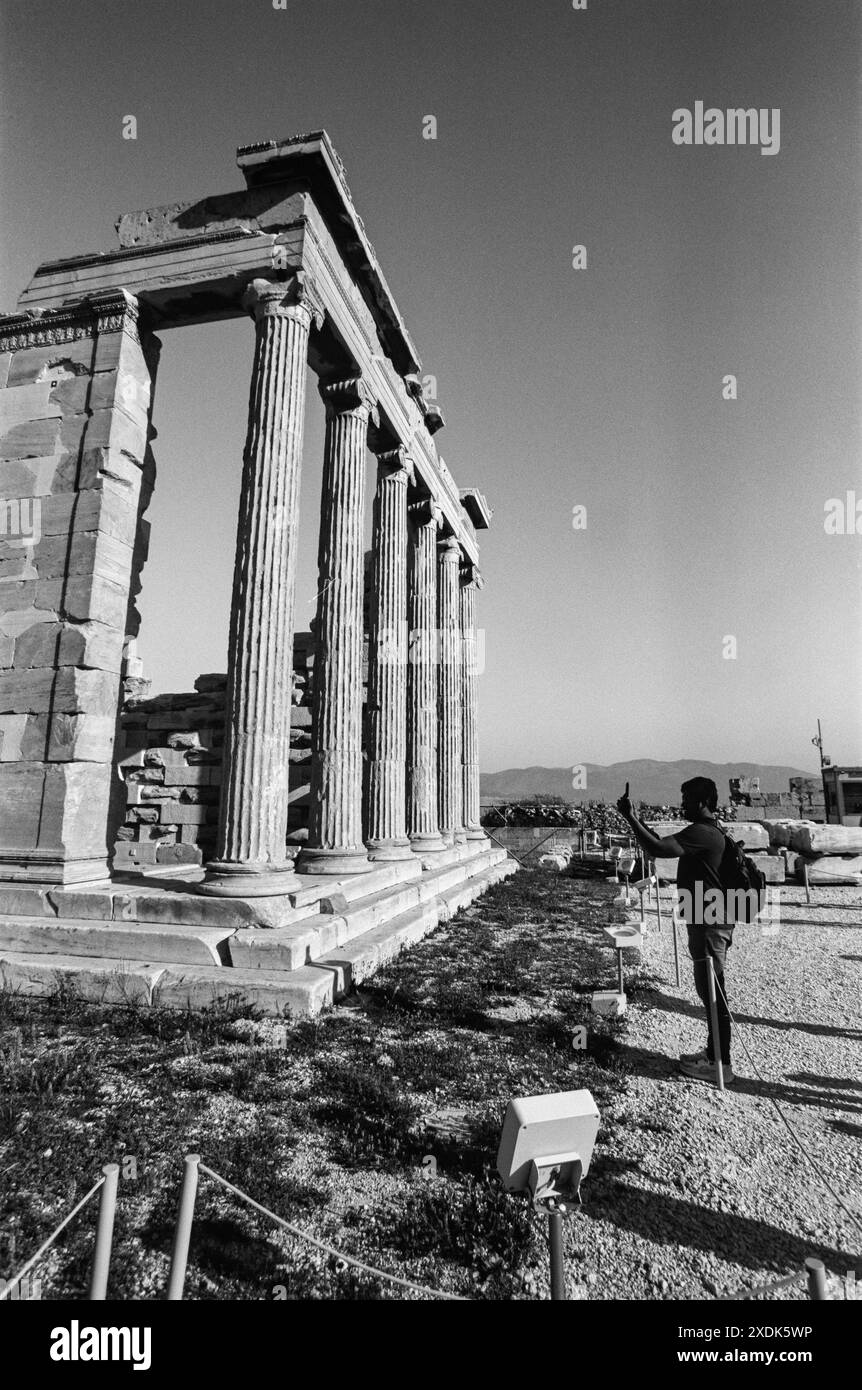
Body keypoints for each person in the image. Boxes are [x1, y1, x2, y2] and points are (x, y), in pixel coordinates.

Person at [615, 776, 735, 1083]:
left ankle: (720, 1063)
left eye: (686, 800)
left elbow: (657, 847)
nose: (682, 805)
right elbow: (658, 843)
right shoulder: (711, 830)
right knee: (709, 990)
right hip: (710, 917)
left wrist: (630, 817)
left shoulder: (701, 832)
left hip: (709, 921)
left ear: (702, 803)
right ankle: (714, 1055)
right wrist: (637, 820)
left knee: (712, 992)